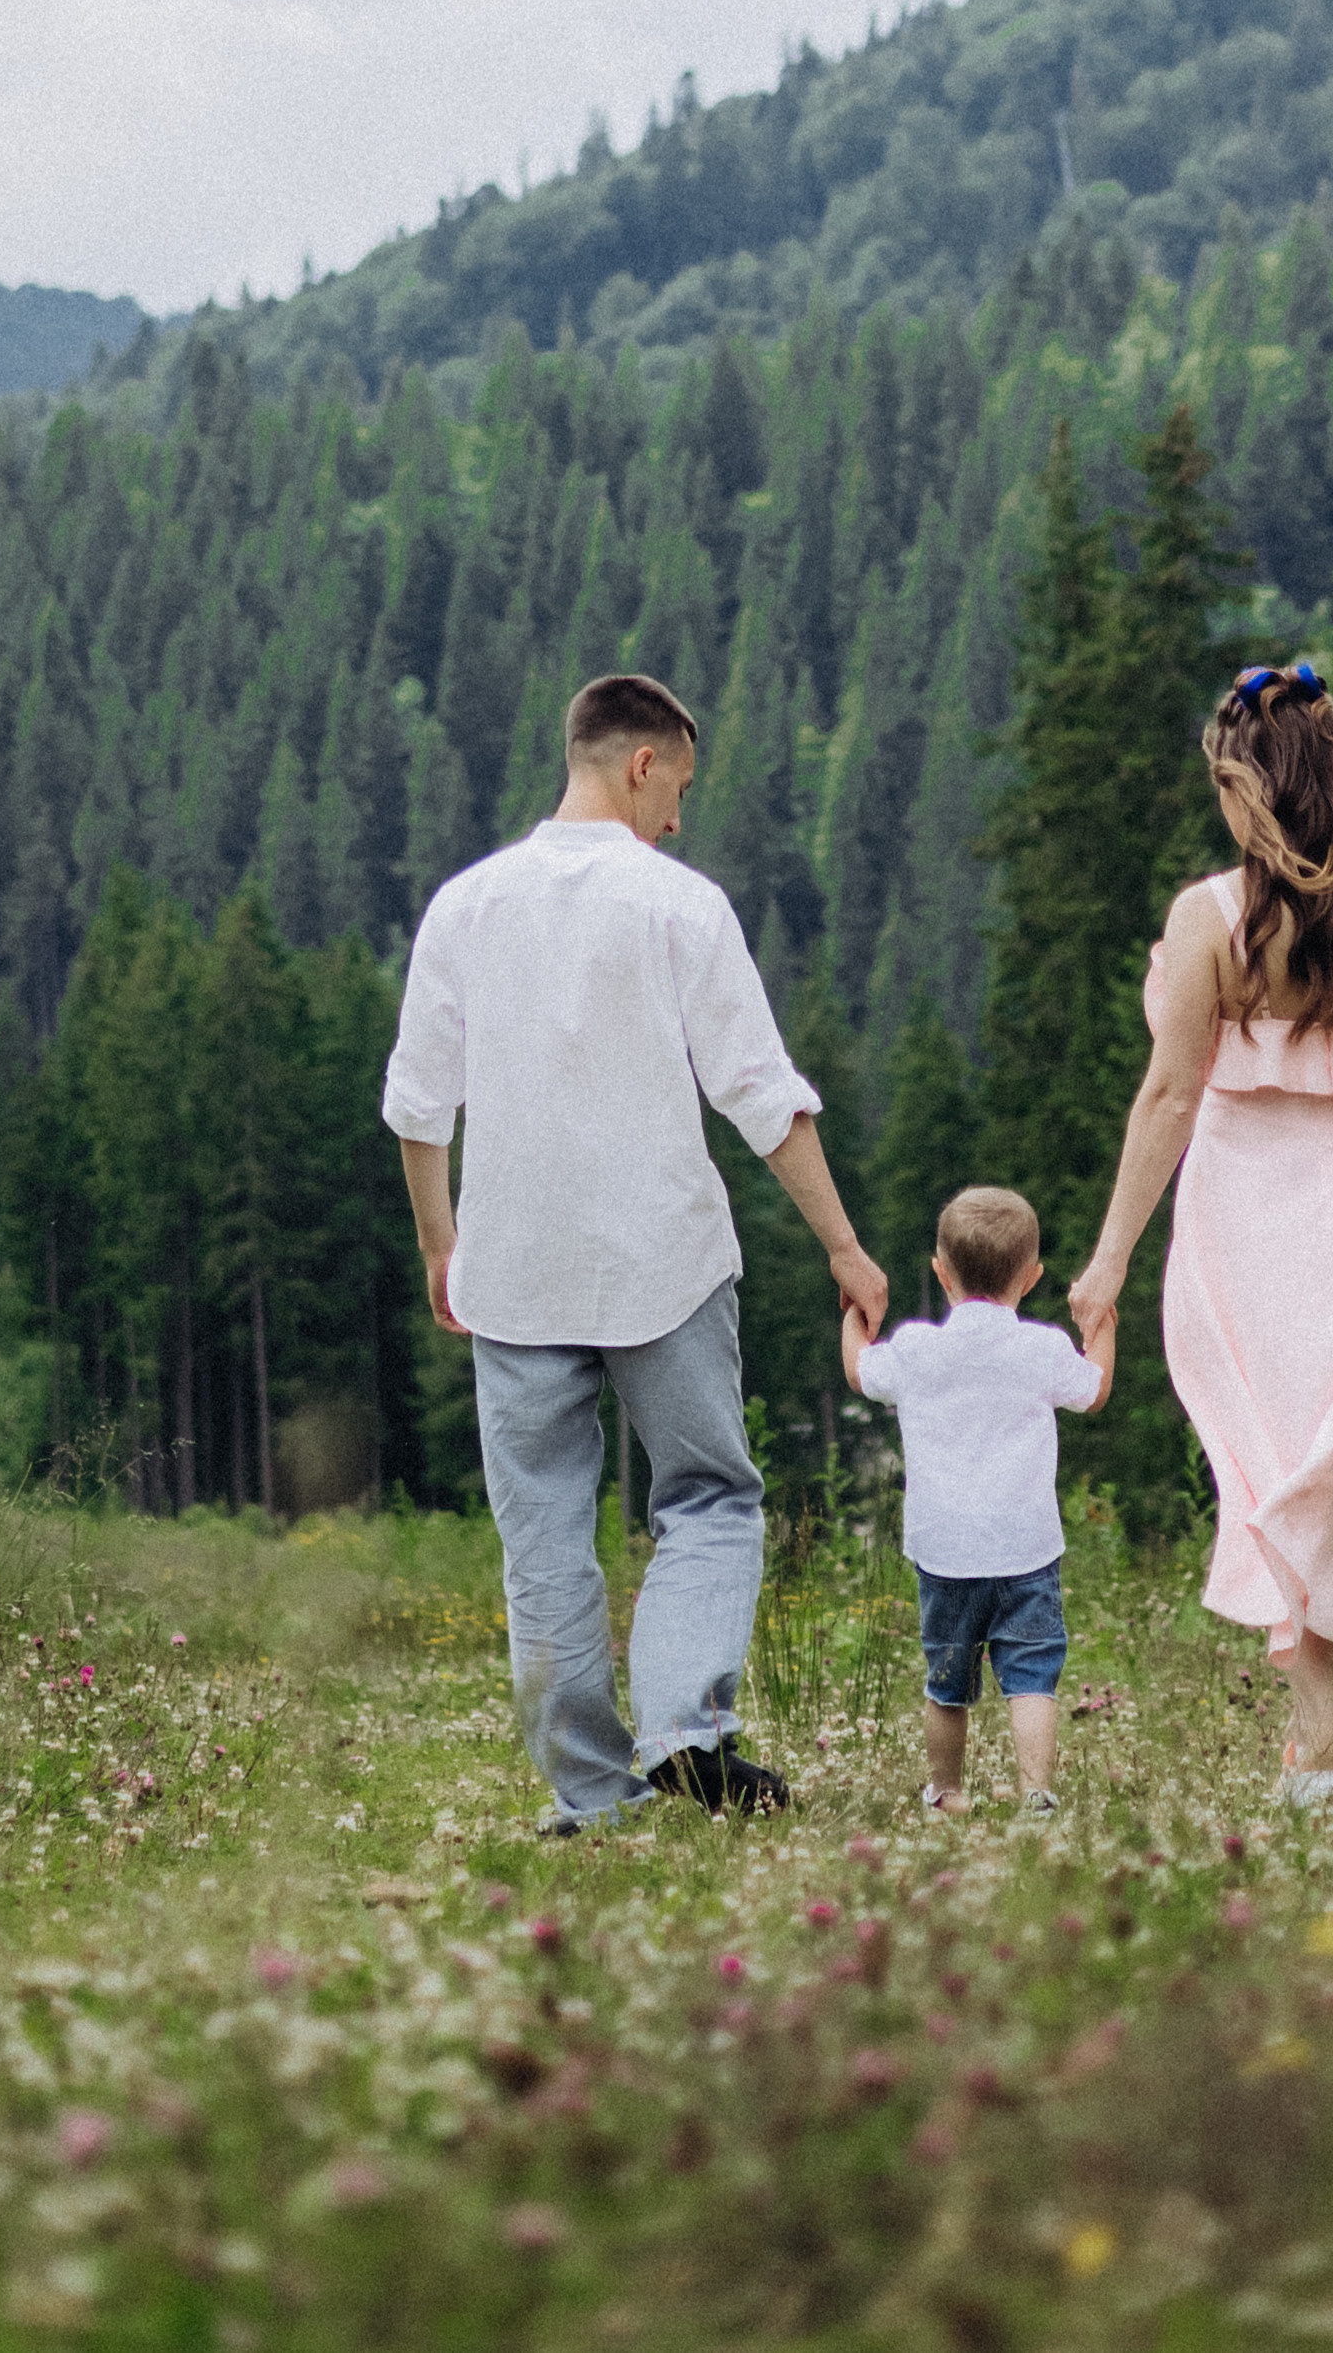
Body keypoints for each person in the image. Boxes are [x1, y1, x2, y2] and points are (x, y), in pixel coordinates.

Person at [383, 670, 889, 1831]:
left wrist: (441, 1247)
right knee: (709, 1497)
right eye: (680, 791)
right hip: (664, 1263)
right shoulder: (680, 906)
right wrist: (846, 1250)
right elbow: (764, 1099)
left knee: (544, 1536)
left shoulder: (464, 906)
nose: (679, 820)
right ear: (642, 763)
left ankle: (588, 1798)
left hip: (511, 1269)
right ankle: (685, 1730)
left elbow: (418, 1109)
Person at [1068, 663, 1333, 1806]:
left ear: (1242, 787)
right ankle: (1317, 1741)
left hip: (1238, 1227)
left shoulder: (1206, 918)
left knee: (1280, 1458)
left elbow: (1166, 1098)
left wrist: (1108, 1259)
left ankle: (1315, 1739)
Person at [844, 1186, 1115, 1815]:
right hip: (1027, 1550)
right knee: (1032, 1679)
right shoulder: (1043, 1349)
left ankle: (946, 1792)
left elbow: (860, 1372)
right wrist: (1102, 1326)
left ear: (940, 1273)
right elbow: (1093, 1390)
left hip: (945, 1554)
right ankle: (1037, 1794)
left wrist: (856, 1318)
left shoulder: (914, 1349)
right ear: (1033, 1277)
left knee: (948, 1686)